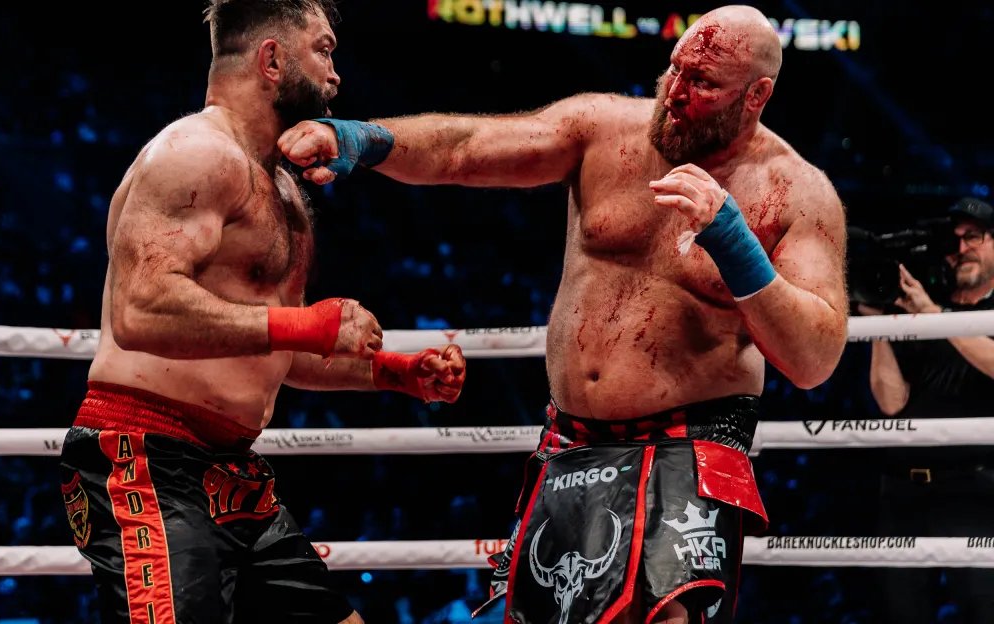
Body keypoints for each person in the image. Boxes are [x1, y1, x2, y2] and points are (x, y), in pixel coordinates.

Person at [279, 5, 848, 623]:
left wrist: (736, 246)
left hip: (689, 445)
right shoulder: (604, 129)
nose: (676, 93)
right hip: (572, 443)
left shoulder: (796, 192)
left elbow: (813, 360)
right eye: (674, 69)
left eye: (704, 83)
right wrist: (361, 139)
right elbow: (468, 149)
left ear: (756, 95)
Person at [57, 1, 467, 623]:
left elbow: (273, 349)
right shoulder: (193, 153)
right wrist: (310, 324)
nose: (335, 75)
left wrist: (395, 372)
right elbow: (139, 311)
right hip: (145, 455)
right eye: (322, 50)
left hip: (232, 473)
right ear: (271, 60)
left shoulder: (283, 187)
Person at [863, 197, 994, 624]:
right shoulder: (925, 303)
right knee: (900, 611)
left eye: (973, 236)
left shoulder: (944, 310)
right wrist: (880, 325)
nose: (962, 249)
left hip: (973, 490)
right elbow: (891, 402)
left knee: (982, 608)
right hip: (903, 491)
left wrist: (935, 317)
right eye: (954, 241)